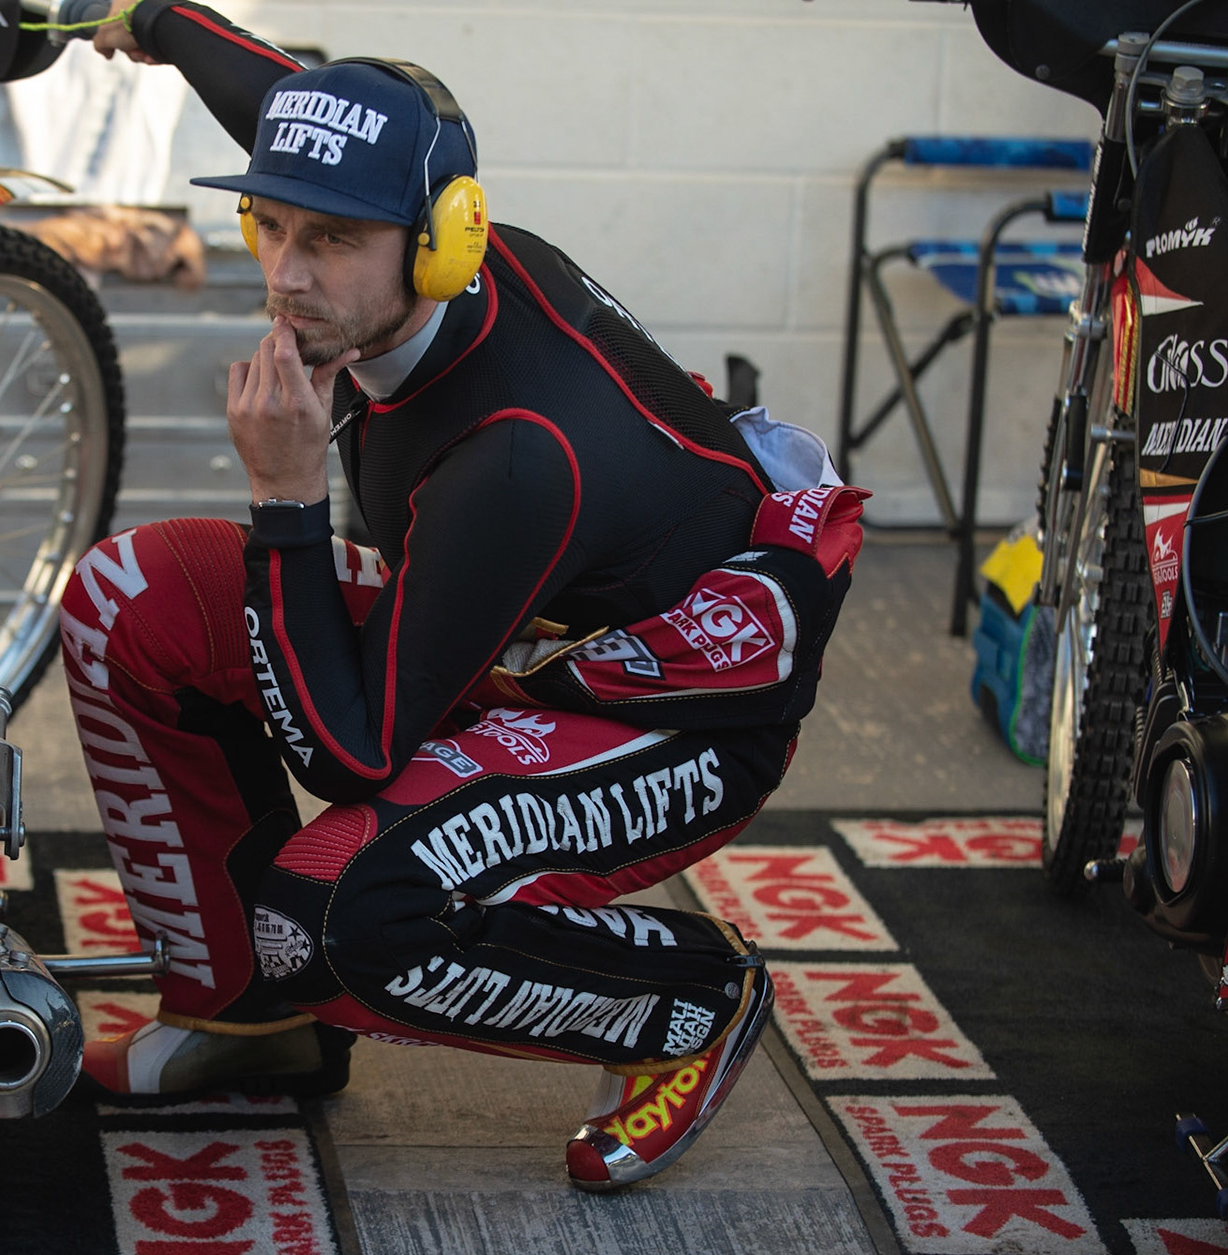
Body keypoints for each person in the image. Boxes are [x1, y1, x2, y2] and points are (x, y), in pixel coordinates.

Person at [60, 0, 864, 1190]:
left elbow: (353, 754)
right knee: (128, 602)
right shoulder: (421, 267)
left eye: (329, 242)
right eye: (267, 226)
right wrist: (160, 20)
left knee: (329, 916)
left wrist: (284, 496)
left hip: (670, 719)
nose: (286, 277)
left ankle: (690, 996)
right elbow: (284, 99)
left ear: (442, 241)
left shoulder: (514, 452)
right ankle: (247, 1023)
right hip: (525, 631)